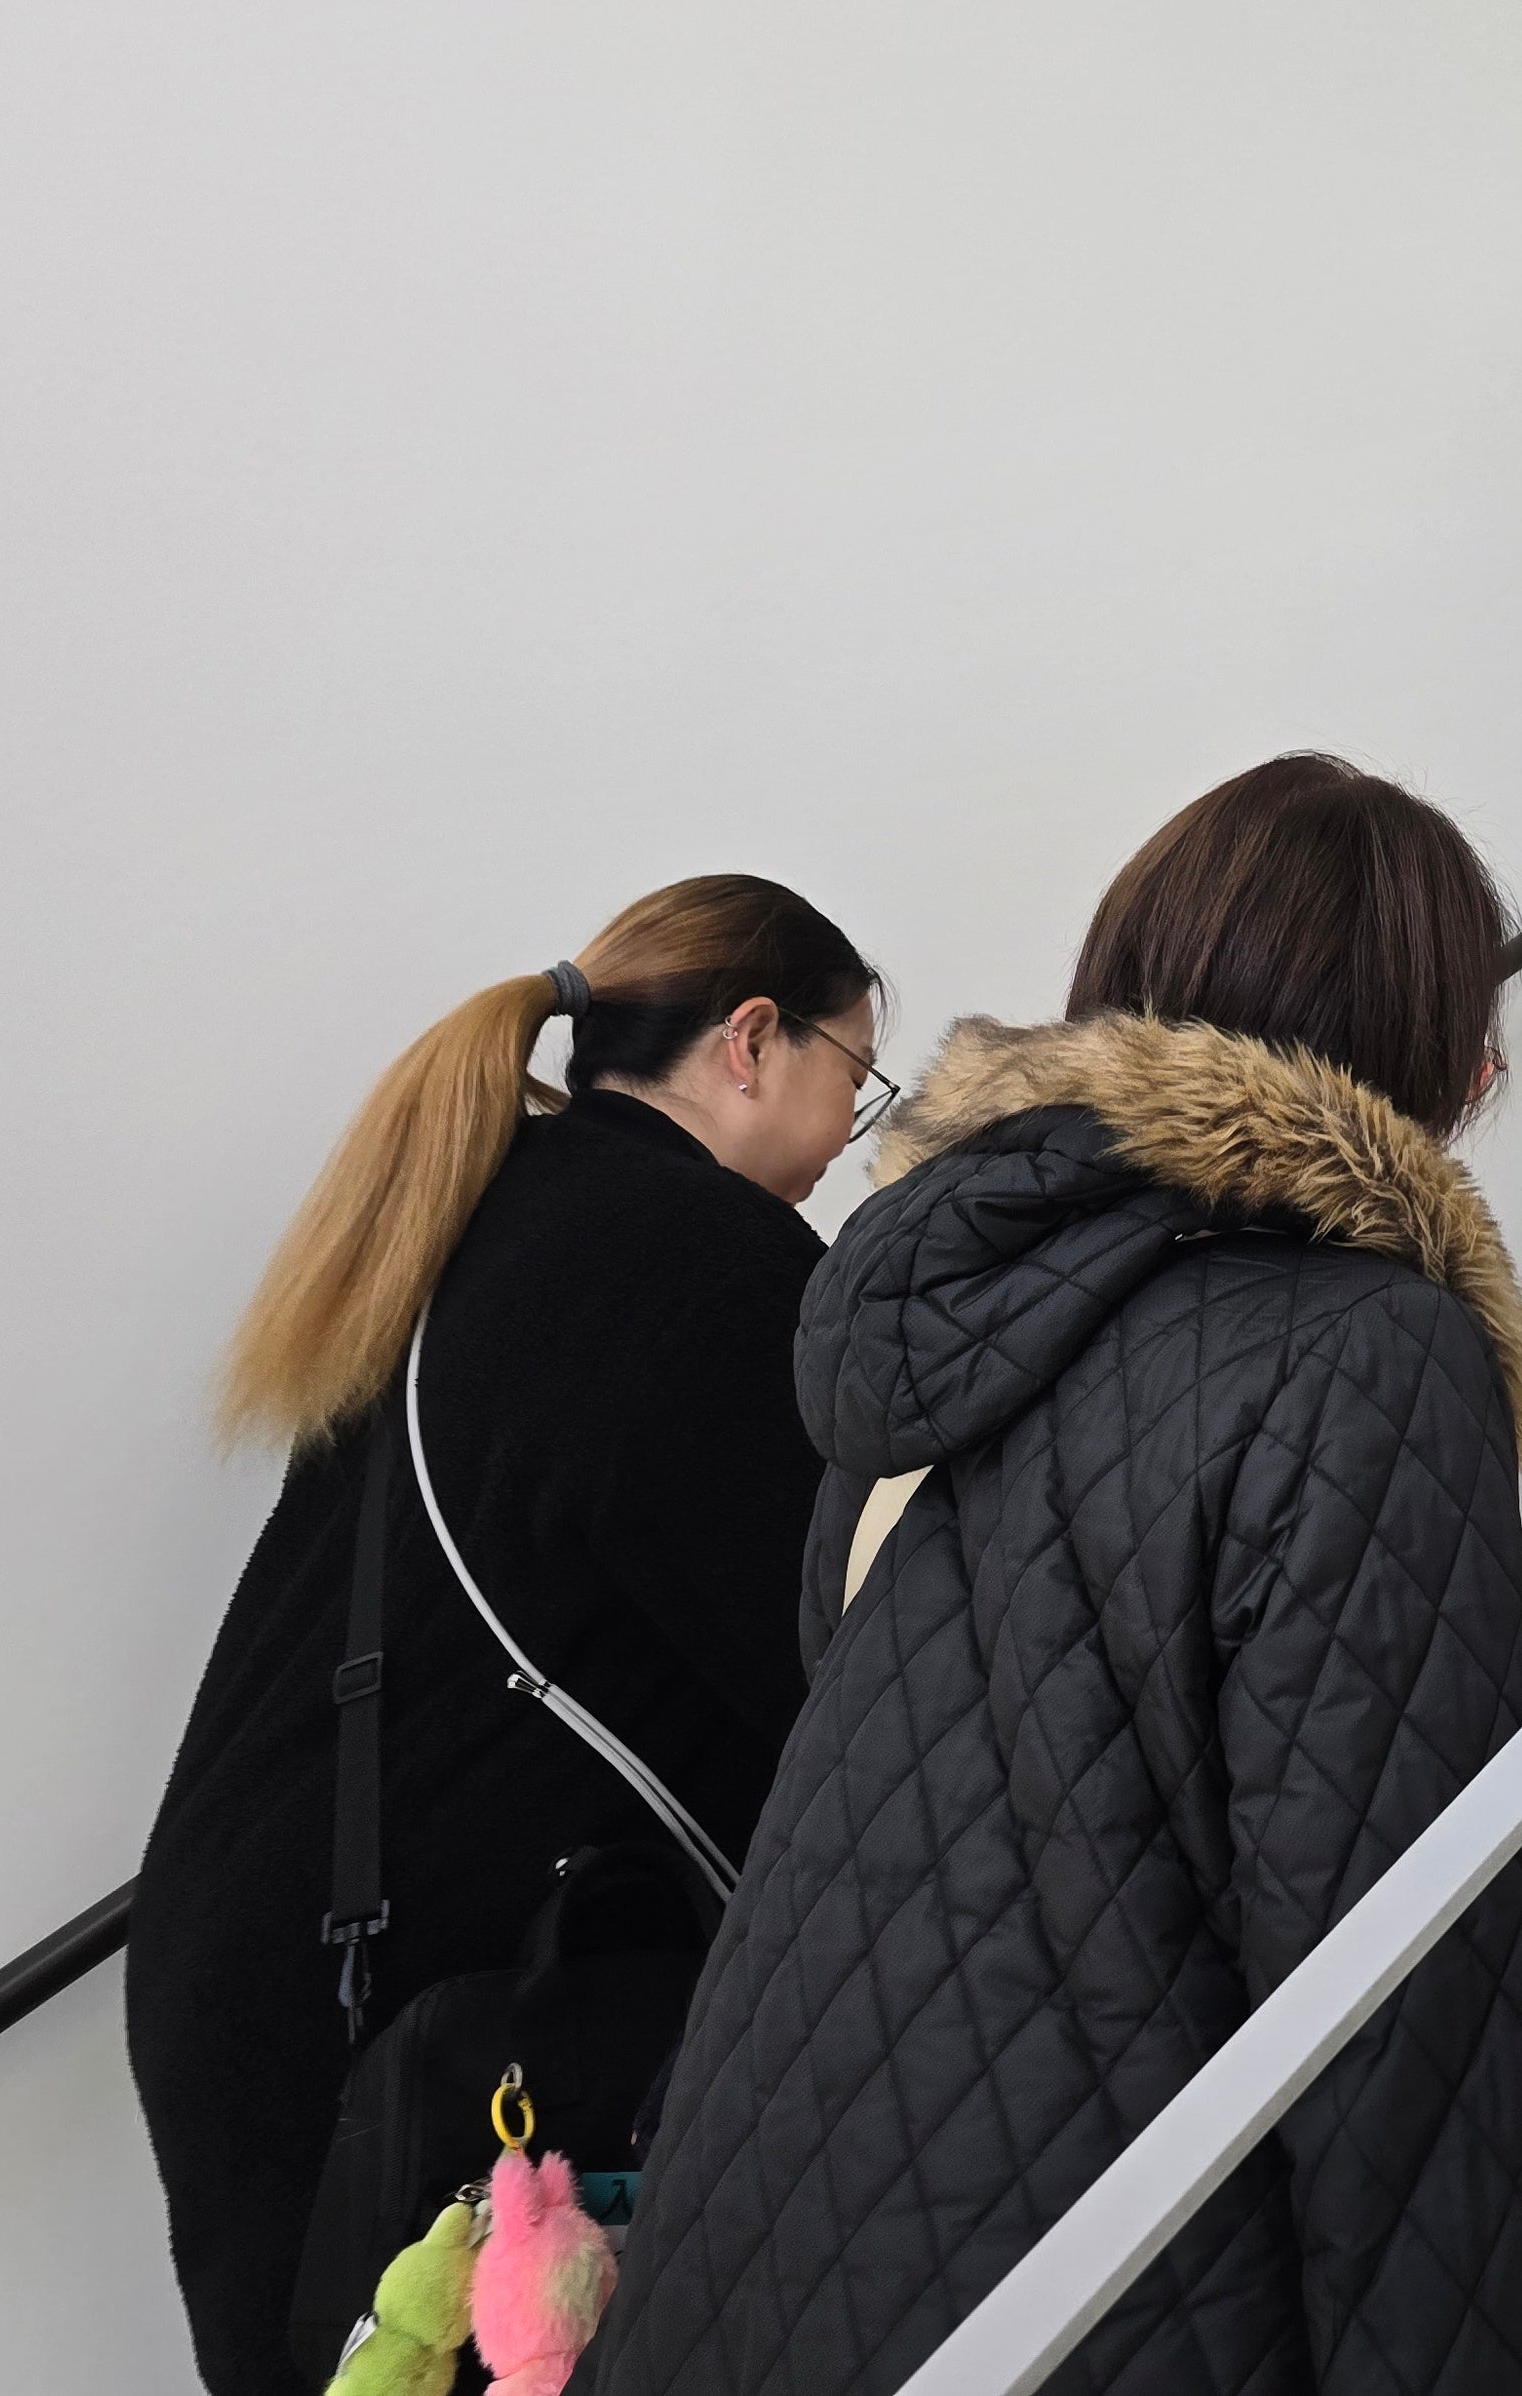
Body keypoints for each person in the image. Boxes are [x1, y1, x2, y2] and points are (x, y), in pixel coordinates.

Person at [590, 756, 1522, 2396]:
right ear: (1410, 1044)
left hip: (751, 2264)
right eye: (1471, 1029)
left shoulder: (942, 1327)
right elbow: (1424, 2016)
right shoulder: (1364, 1353)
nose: (1486, 1073)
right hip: (1086, 2307)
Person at [129, 876, 889, 2396]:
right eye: (856, 1080)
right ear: (753, 1041)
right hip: (416, 2013)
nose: (850, 1139)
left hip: (265, 1964)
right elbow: (835, 1668)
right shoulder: (697, 1256)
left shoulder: (490, 1212)